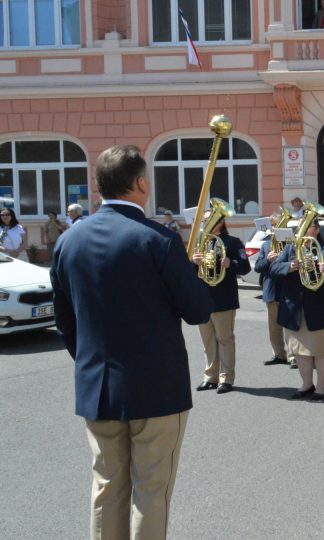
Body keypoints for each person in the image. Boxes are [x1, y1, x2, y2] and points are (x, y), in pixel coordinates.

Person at [50, 144, 213, 539]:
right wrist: (189, 274)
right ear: (140, 183)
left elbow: (65, 322)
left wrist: (91, 362)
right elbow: (197, 311)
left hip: (98, 385)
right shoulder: (158, 239)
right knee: (151, 491)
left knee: (107, 488)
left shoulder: (69, 241)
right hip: (157, 389)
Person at [271, 217, 324, 400]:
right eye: (300, 227)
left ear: (317, 230)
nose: (302, 230)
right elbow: (273, 269)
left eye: (307, 227)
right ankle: (306, 384)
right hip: (296, 309)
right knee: (300, 351)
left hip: (322, 310)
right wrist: (289, 266)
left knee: (322, 350)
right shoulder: (290, 249)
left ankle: (321, 387)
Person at [192, 212, 251, 394]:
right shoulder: (201, 241)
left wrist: (230, 263)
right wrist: (193, 262)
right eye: (205, 219)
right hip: (202, 298)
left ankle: (226, 378)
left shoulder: (232, 242)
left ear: (221, 222)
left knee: (224, 339)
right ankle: (210, 376)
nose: (205, 222)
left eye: (210, 219)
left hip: (223, 298)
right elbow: (190, 271)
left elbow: (245, 267)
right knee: (207, 341)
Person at [256, 212, 292, 367]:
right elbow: (258, 267)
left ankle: (293, 356)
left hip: (288, 287)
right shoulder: (265, 245)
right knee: (274, 326)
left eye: (279, 225)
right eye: (274, 226)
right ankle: (279, 354)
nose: (276, 229)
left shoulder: (291, 244)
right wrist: (267, 260)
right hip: (271, 288)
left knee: (290, 324)